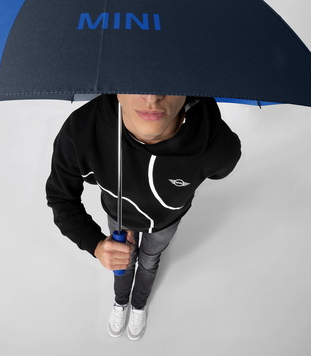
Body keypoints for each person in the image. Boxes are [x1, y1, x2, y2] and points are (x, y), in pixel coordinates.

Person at [45, 94, 242, 340]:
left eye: (168, 81)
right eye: (135, 81)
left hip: (165, 224)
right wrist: (95, 244)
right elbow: (61, 197)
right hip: (119, 219)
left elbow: (218, 170)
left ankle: (139, 304)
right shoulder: (82, 130)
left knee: (149, 262)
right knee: (123, 262)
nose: (152, 97)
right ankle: (120, 302)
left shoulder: (219, 146)